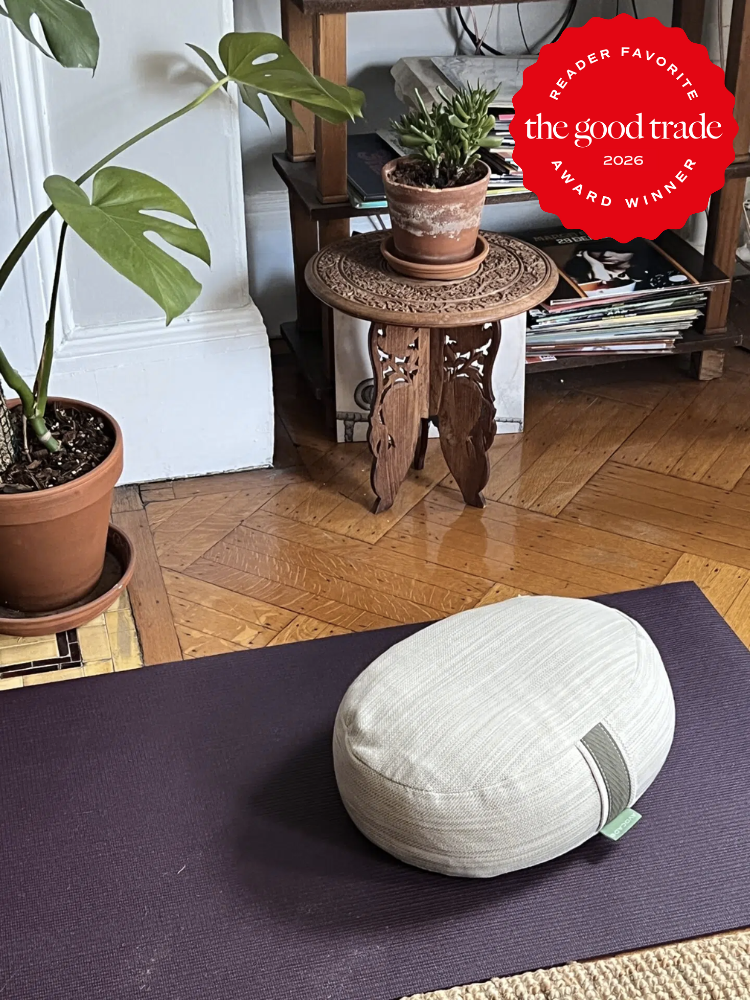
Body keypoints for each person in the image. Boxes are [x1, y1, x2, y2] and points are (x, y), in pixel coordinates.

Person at [565, 239, 690, 295]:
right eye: (596, 250)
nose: (606, 254)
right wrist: (596, 267)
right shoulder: (576, 272)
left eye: (618, 251)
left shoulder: (655, 274)